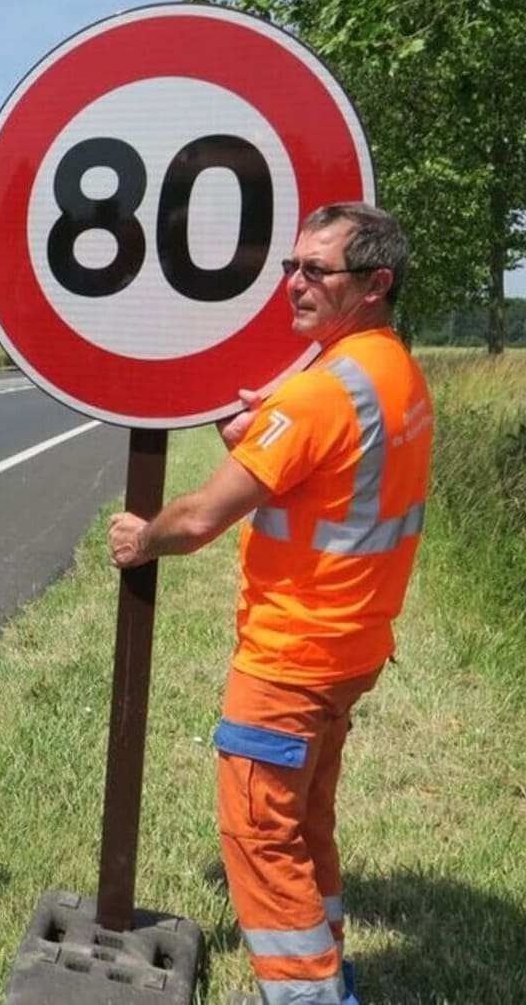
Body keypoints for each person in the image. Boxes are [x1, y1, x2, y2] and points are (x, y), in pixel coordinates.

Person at [108, 202, 432, 1005]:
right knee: (304, 822)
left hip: (292, 659)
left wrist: (143, 538)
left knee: (259, 837)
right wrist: (262, 434)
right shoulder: (391, 371)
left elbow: (201, 518)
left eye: (315, 270)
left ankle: (310, 996)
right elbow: (327, 481)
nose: (293, 284)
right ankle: (333, 965)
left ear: (375, 284)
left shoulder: (321, 394)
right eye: (292, 266)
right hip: (350, 650)